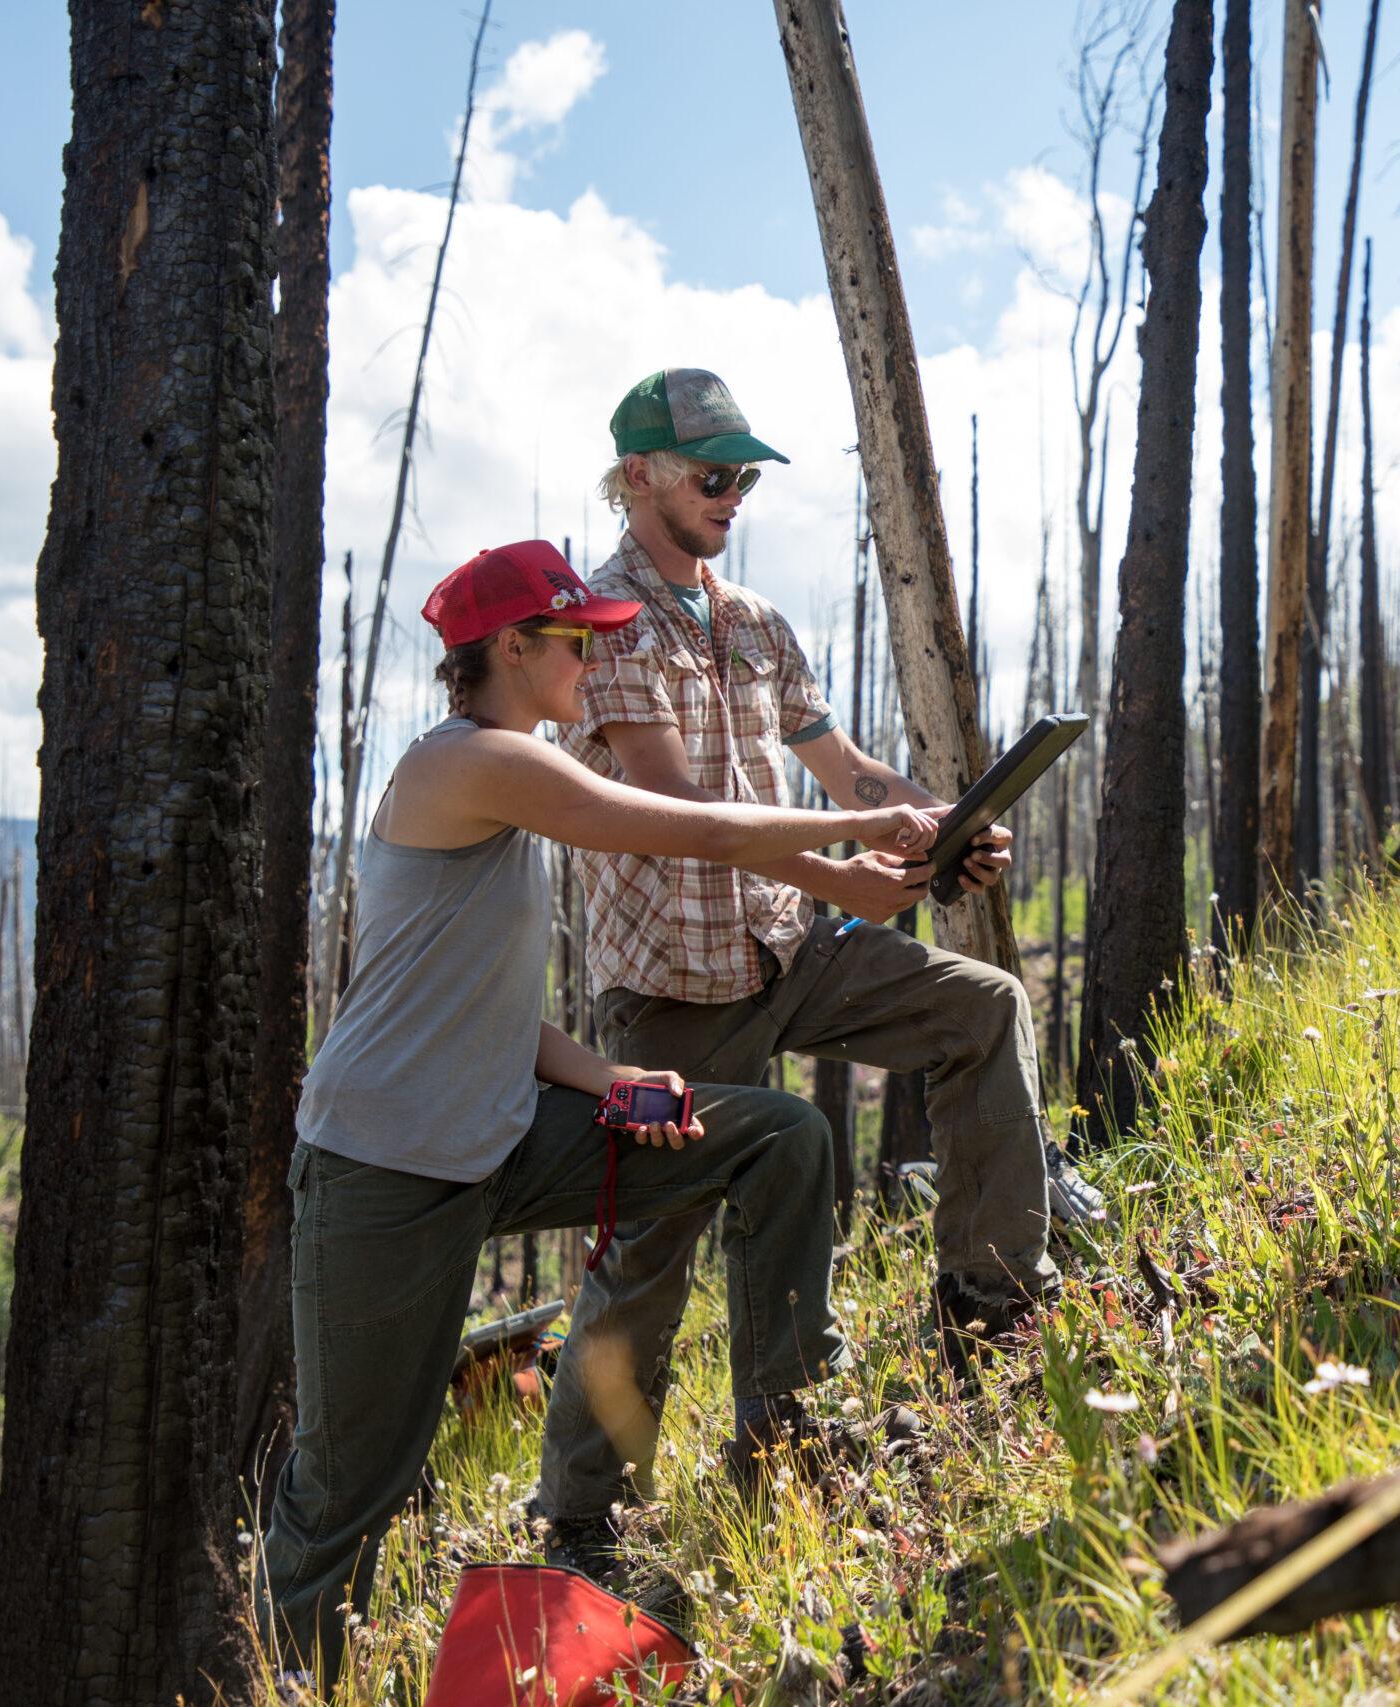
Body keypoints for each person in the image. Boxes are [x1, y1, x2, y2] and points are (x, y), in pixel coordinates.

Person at [255, 539, 939, 1684]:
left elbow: (482, 1015)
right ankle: (294, 1680)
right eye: (577, 638)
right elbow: (689, 830)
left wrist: (611, 1084)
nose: (597, 656)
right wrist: (858, 832)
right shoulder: (469, 762)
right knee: (345, 1490)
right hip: (382, 1170)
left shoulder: (503, 777)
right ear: (510, 649)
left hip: (499, 1137)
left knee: (780, 1135)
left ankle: (784, 1438)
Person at [556, 367, 1101, 1391]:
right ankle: (583, 1508)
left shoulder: (754, 622)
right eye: (712, 478)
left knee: (982, 1008)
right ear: (637, 476)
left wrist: (946, 824)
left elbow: (842, 765)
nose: (731, 499)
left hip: (788, 947)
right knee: (649, 1252)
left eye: (743, 482)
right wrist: (839, 877)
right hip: (672, 986)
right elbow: (682, 818)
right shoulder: (606, 623)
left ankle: (989, 1306)